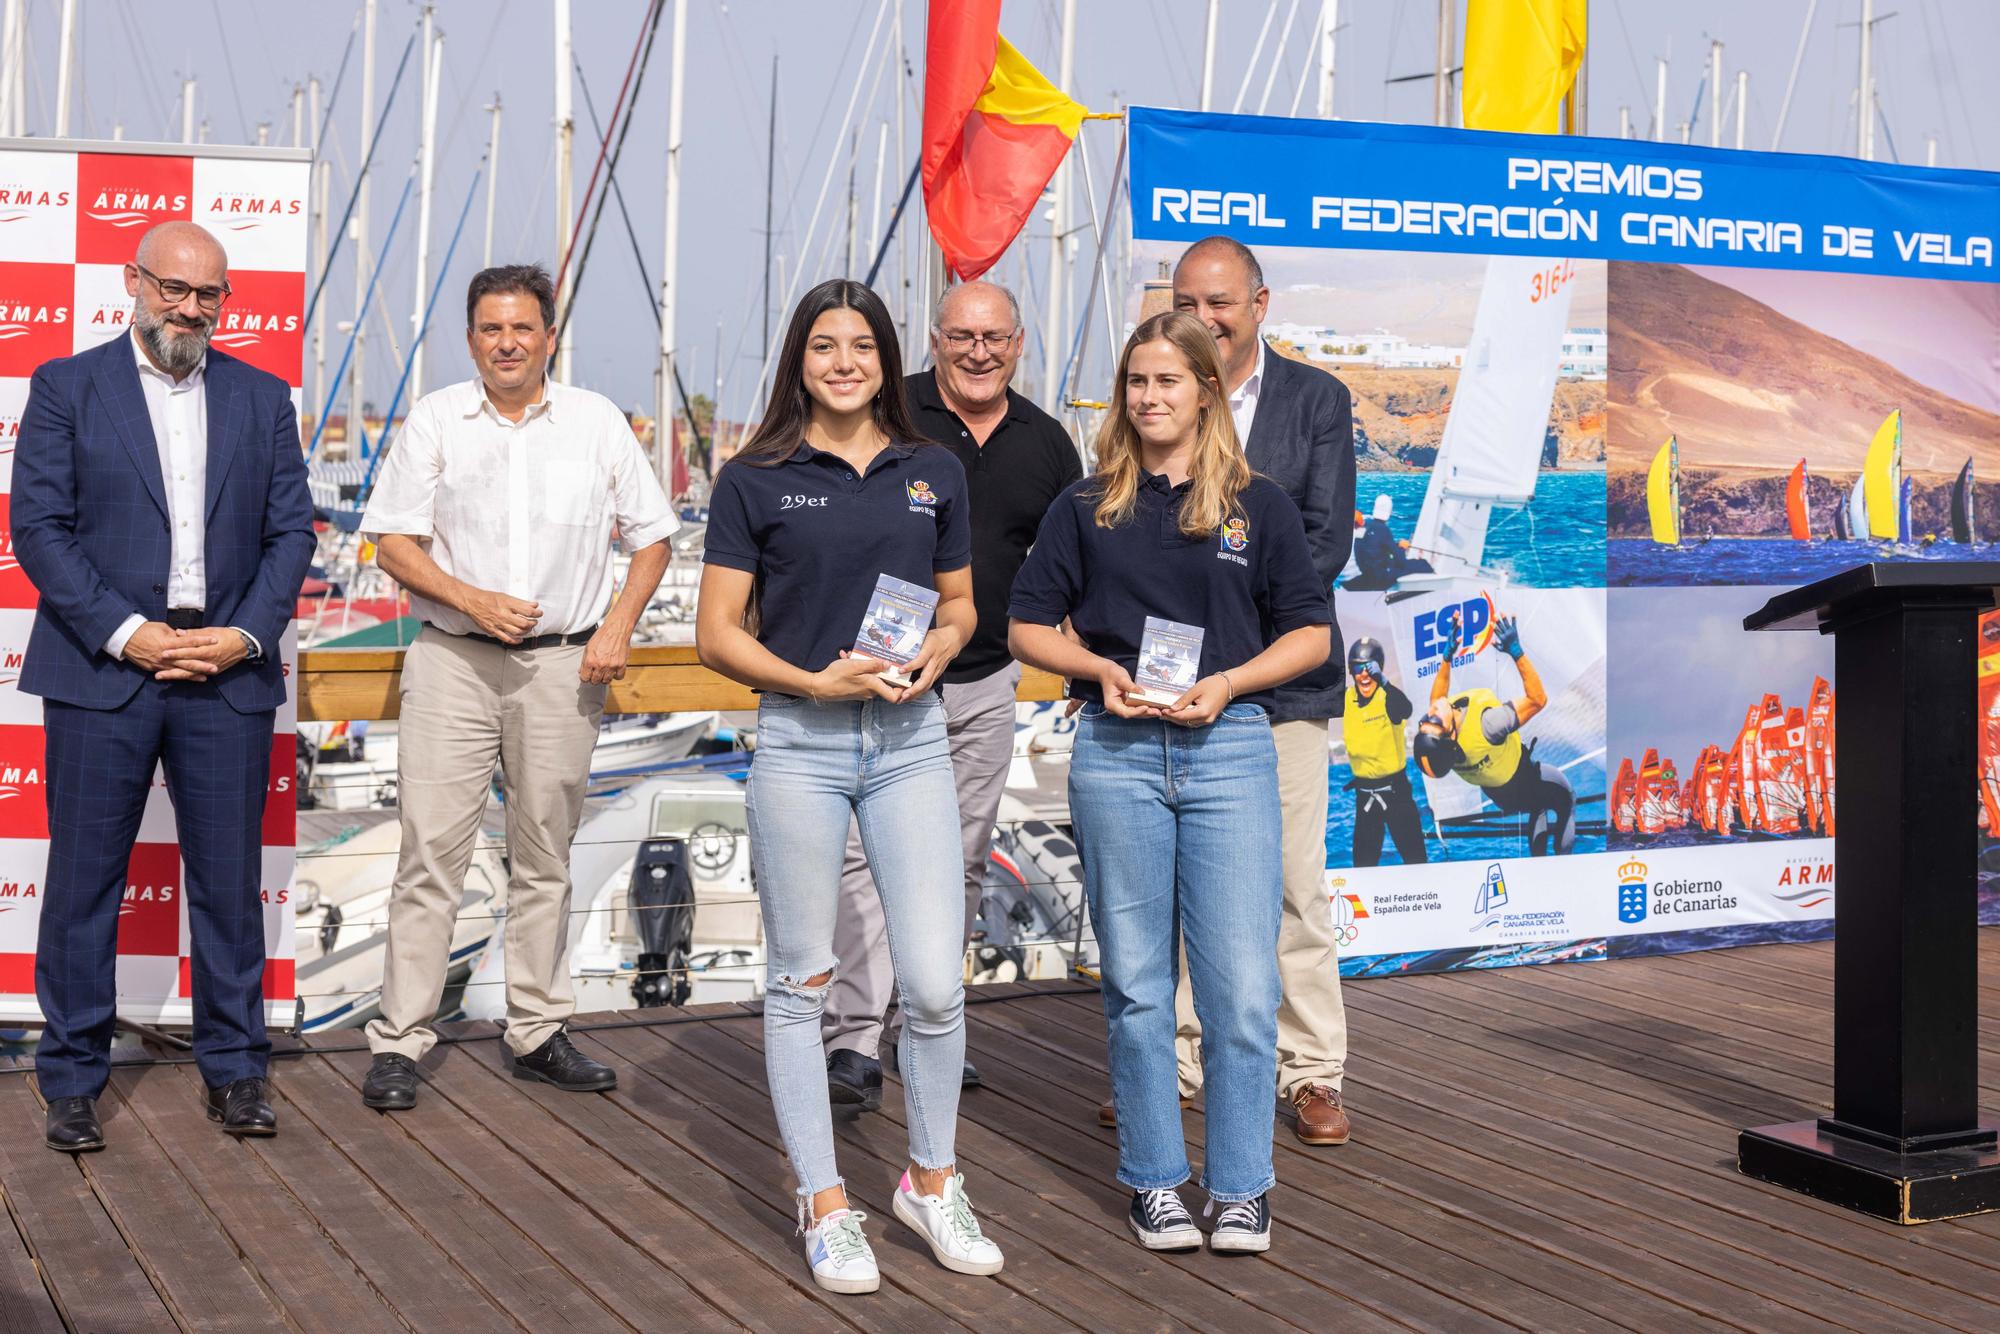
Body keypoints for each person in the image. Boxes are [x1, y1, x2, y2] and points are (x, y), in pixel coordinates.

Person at [697, 278, 1004, 1295]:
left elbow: (959, 605)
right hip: (801, 738)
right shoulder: (754, 476)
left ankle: (931, 1176)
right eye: (823, 345)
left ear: (884, 358)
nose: (842, 362)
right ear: (799, 359)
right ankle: (825, 1200)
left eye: (860, 345)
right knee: (801, 977)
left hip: (911, 736)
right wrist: (808, 678)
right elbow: (717, 634)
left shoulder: (931, 469)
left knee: (931, 981)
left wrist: (939, 650)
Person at [1010, 310, 1332, 1256]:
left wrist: (1230, 682)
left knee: (1238, 987)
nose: (1150, 398)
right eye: (1136, 383)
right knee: (1141, 986)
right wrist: (1097, 671)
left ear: (1204, 391)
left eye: (1168, 381)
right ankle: (1156, 1179)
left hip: (1230, 747)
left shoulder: (1257, 505)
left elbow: (1311, 631)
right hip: (1115, 754)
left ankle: (1240, 1187)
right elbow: (1030, 623)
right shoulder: (1086, 505)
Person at [13, 221, 313, 1149]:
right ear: (134, 281)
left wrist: (242, 636)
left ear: (227, 301)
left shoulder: (264, 399)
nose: (190, 307)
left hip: (225, 673)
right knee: (81, 885)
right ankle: (70, 1078)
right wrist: (132, 635)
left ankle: (237, 1072)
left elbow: (292, 534)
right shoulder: (67, 386)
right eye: (174, 288)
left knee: (228, 886)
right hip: (105, 669)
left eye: (209, 293)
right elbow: (40, 529)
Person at [355, 264, 677, 1109]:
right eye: (491, 329)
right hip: (453, 657)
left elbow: (652, 540)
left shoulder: (597, 422)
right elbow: (391, 542)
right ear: (472, 340)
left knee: (545, 855)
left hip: (566, 664)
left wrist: (615, 627)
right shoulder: (437, 421)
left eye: (522, 328)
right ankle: (399, 1040)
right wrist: (469, 599)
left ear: (548, 337)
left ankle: (536, 1029)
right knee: (430, 853)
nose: (507, 343)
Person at [822, 279, 1081, 1110]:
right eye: (962, 336)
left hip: (985, 680)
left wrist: (1086, 656)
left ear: (1018, 344)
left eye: (995, 338)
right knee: (862, 862)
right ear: (935, 340)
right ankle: (853, 1040)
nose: (979, 351)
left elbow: (1071, 564)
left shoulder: (1048, 442)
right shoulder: (890, 415)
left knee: (960, 865)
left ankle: (926, 1027)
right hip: (884, 682)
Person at [1152, 234, 1356, 1149]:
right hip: (1173, 691)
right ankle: (1178, 1063)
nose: (1203, 319)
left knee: (1292, 888)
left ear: (1259, 306)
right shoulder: (1156, 394)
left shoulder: (1317, 401)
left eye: (1220, 303)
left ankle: (1310, 1072)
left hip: (1285, 688)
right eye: (1187, 301)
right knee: (1179, 888)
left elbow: (1322, 547)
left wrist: (1232, 649)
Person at [1413, 610, 1576, 855]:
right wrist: (1516, 652)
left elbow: (1437, 697)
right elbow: (1538, 699)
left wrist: (1446, 658)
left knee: (1537, 807)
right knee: (1565, 798)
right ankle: (1562, 865)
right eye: (1435, 719)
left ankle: (1537, 865)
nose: (1432, 710)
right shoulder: (1489, 724)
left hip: (1500, 796)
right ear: (1451, 735)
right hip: (1525, 782)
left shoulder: (1446, 749)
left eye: (1426, 719)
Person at [1343, 637, 1428, 866]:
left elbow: (1406, 709)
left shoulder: (1387, 697)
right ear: (1351, 671)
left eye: (1371, 668)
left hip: (1396, 794)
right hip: (1364, 796)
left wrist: (1385, 682)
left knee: (1416, 862)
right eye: (1358, 668)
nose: (1364, 675)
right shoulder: (1346, 699)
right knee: (1363, 867)